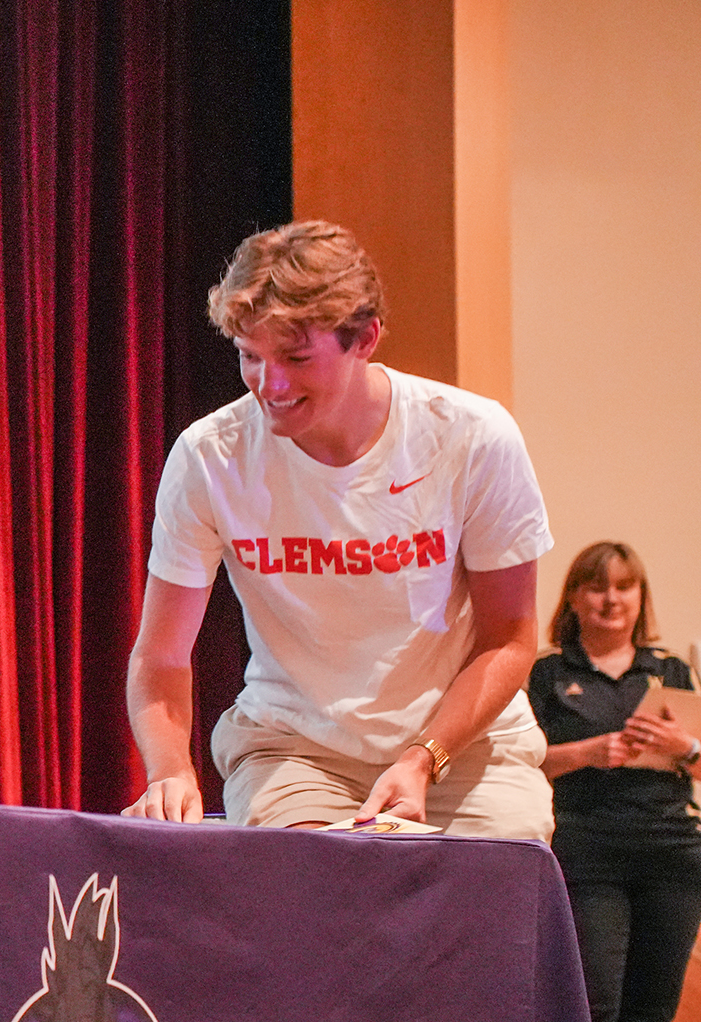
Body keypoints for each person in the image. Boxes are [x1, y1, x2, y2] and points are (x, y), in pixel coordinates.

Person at [122, 220, 553, 837]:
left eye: (297, 358)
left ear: (366, 338)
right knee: (321, 899)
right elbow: (161, 654)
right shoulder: (210, 455)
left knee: (488, 900)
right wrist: (170, 771)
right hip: (296, 748)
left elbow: (509, 640)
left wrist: (421, 759)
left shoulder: (471, 437)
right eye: (250, 356)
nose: (269, 385)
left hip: (464, 745)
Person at [530, 541, 701, 1022]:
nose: (611, 600)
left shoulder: (669, 672)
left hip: (671, 850)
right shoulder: (548, 673)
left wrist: (681, 747)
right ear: (573, 598)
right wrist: (590, 751)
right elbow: (525, 758)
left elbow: (695, 756)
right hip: (588, 846)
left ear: (639, 598)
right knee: (593, 1003)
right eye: (597, 588)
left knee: (649, 1008)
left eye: (624, 588)